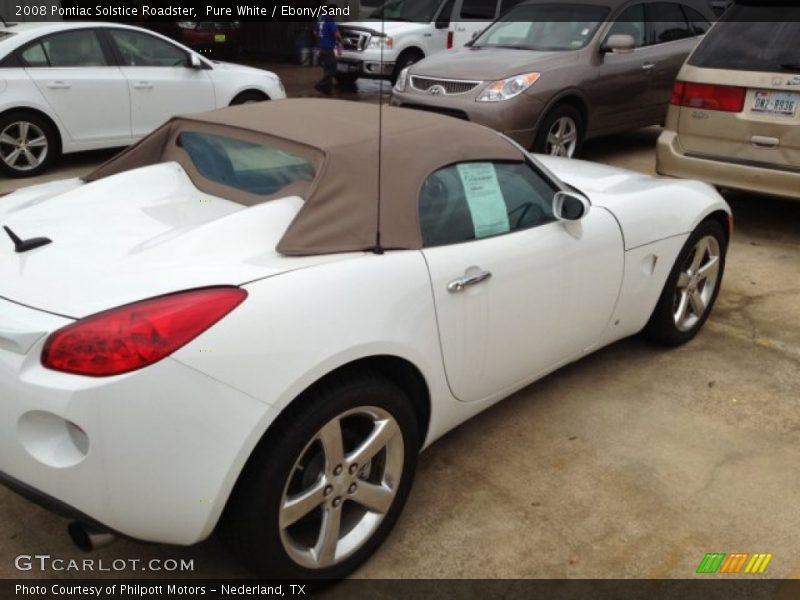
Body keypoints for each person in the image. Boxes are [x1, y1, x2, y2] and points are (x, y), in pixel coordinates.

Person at [314, 3, 343, 95]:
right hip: (328, 48)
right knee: (333, 69)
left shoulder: (320, 19)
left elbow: (315, 32)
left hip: (321, 47)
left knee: (327, 69)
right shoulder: (330, 21)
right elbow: (337, 35)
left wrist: (322, 37)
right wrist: (341, 41)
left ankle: (327, 89)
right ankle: (320, 84)